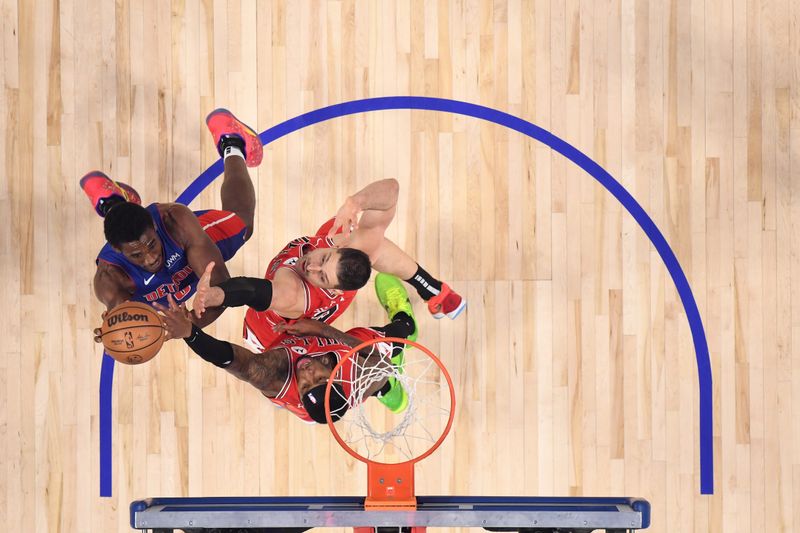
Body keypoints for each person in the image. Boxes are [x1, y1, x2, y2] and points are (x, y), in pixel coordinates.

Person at [191, 177, 466, 354]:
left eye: (320, 276)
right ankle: (433, 289)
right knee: (372, 242)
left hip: (272, 341)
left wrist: (216, 295)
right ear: (336, 248)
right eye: (322, 259)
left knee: (290, 390)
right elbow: (392, 189)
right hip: (308, 311)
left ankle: (386, 379)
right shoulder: (346, 241)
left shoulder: (293, 293)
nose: (309, 267)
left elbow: (252, 290)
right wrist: (355, 202)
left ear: (332, 289)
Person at [85, 108, 262, 338]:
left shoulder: (175, 221)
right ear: (117, 251)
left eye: (151, 244)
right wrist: (115, 334)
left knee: (243, 224)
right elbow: (126, 326)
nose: (150, 258)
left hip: (185, 254)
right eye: (137, 255)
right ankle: (113, 203)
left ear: (155, 226)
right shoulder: (110, 280)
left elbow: (222, 288)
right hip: (164, 284)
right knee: (126, 231)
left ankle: (233, 142)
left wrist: (191, 325)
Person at [154, 274, 418, 420]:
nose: (307, 373)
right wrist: (324, 330)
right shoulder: (349, 379)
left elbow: (230, 359)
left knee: (266, 311)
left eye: (305, 385)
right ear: (334, 377)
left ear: (300, 392)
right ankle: (405, 329)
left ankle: (389, 384)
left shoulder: (273, 375)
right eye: (319, 378)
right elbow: (382, 366)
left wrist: (191, 333)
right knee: (381, 356)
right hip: (329, 354)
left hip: (274, 341)